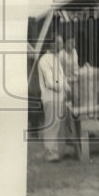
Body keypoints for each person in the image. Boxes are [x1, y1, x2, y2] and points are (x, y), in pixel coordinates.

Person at [37, 33, 76, 162]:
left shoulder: (55, 58)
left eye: (61, 42)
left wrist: (67, 87)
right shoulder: (45, 60)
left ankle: (57, 152)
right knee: (51, 126)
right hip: (50, 97)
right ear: (52, 44)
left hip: (59, 97)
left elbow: (61, 78)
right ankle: (50, 154)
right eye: (59, 43)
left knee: (59, 126)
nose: (62, 45)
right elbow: (50, 82)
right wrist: (62, 86)